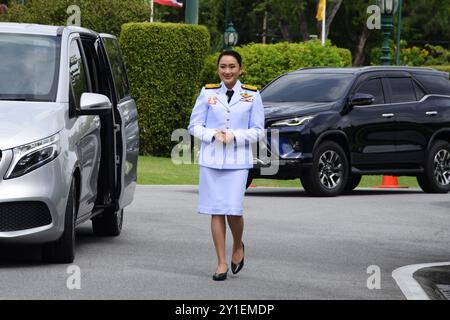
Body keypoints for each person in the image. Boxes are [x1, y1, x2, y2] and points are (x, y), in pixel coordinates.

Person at [188, 50, 265, 281]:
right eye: (223, 66)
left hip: (237, 161)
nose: (227, 71)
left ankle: (238, 244)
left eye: (232, 66)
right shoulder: (208, 92)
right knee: (216, 210)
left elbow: (258, 130)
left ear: (240, 69)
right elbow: (194, 126)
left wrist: (235, 136)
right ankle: (221, 262)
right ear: (218, 69)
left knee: (233, 210)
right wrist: (213, 134)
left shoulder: (252, 95)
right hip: (212, 160)